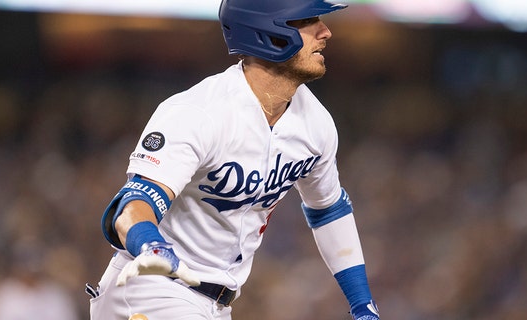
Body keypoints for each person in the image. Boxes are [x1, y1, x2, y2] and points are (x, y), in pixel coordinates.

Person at [88, 0, 379, 319]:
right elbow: (134, 203)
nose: (325, 32)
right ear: (268, 30)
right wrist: (149, 244)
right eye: (307, 20)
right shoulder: (198, 112)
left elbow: (328, 210)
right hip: (151, 289)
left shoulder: (316, 125)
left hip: (216, 304)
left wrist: (362, 304)